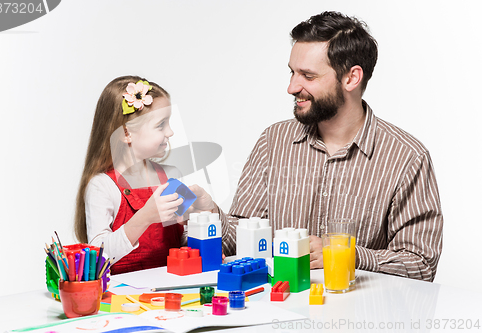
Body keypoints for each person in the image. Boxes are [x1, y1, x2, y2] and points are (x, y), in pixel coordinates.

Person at [208, 11, 443, 282]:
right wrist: (210, 215)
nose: (291, 87)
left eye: (308, 76)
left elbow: (421, 265)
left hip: (356, 316)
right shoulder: (273, 141)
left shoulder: (407, 157)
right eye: (292, 72)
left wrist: (346, 254)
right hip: (277, 312)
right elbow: (243, 238)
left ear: (351, 78)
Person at [74, 75, 211, 274]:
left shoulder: (171, 175)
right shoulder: (102, 186)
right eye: (161, 125)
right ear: (127, 133)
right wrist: (144, 217)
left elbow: (181, 238)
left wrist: (199, 238)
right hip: (125, 296)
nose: (170, 132)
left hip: (171, 288)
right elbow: (97, 257)